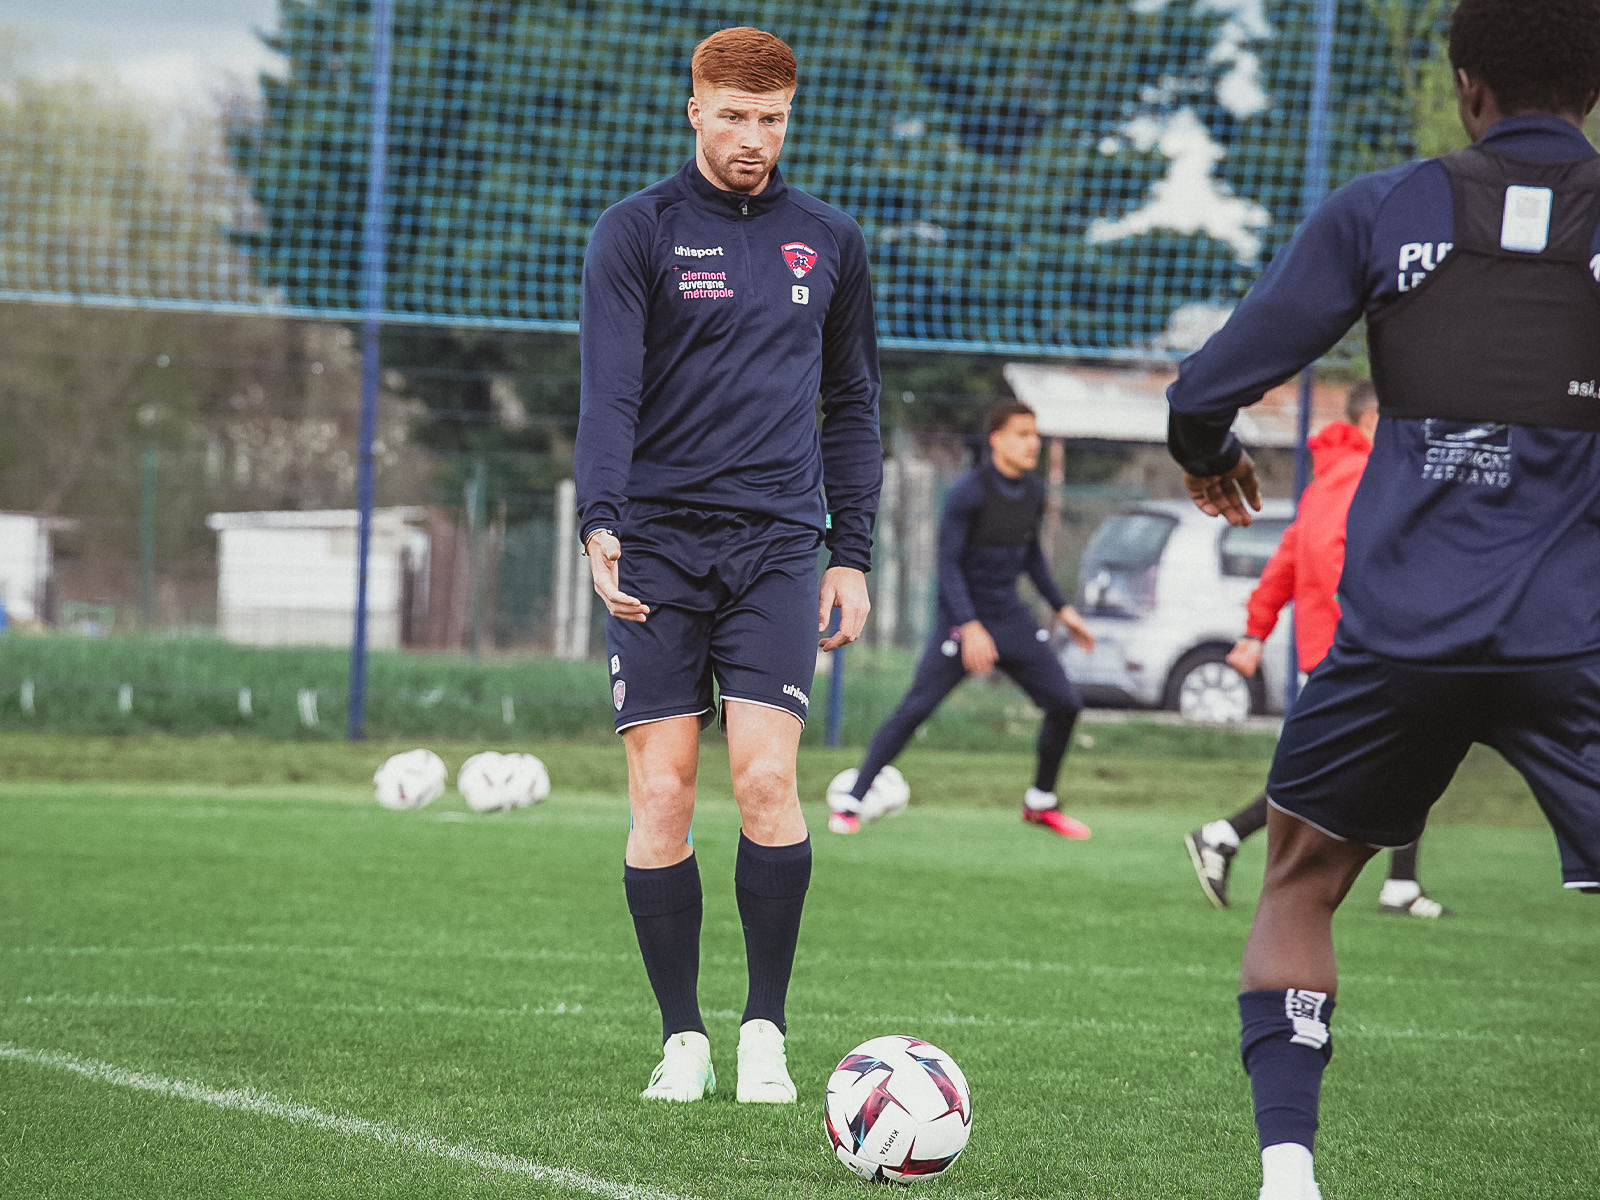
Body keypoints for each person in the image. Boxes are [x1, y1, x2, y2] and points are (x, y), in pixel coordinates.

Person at [1165, 2, 1600, 1195]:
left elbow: (1205, 388)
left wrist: (1205, 451)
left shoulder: (1385, 208)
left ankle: (1288, 1177)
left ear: (1464, 87)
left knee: (1299, 881)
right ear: (1592, 90)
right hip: (1575, 634)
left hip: (1401, 634)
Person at [576, 27, 881, 1105]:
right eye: (737, 116)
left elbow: (853, 405)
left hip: (776, 548)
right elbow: (608, 390)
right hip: (656, 545)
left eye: (774, 119)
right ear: (695, 110)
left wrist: (852, 553)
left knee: (765, 781)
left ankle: (763, 1032)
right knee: (663, 792)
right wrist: (599, 521)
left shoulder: (829, 240)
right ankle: (682, 1038)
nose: (755, 138)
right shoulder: (636, 232)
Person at [1184, 384, 1447, 919]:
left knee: (1406, 756)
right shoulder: (1363, 474)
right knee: (1349, 771)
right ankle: (1225, 834)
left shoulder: (1333, 477)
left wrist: (1255, 632)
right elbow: (1328, 555)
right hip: (1356, 651)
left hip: (1344, 648)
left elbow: (1290, 556)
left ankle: (1400, 882)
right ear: (1374, 420)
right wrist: (1372, 628)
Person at [828, 400, 1097, 837]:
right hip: (962, 618)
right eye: (1022, 434)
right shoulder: (969, 492)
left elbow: (1032, 558)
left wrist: (1064, 611)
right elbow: (948, 566)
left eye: (1035, 435)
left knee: (1065, 703)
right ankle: (852, 801)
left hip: (1009, 616)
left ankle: (1040, 802)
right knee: (915, 708)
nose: (1033, 444)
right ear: (997, 439)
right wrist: (970, 627)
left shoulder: (1033, 492)